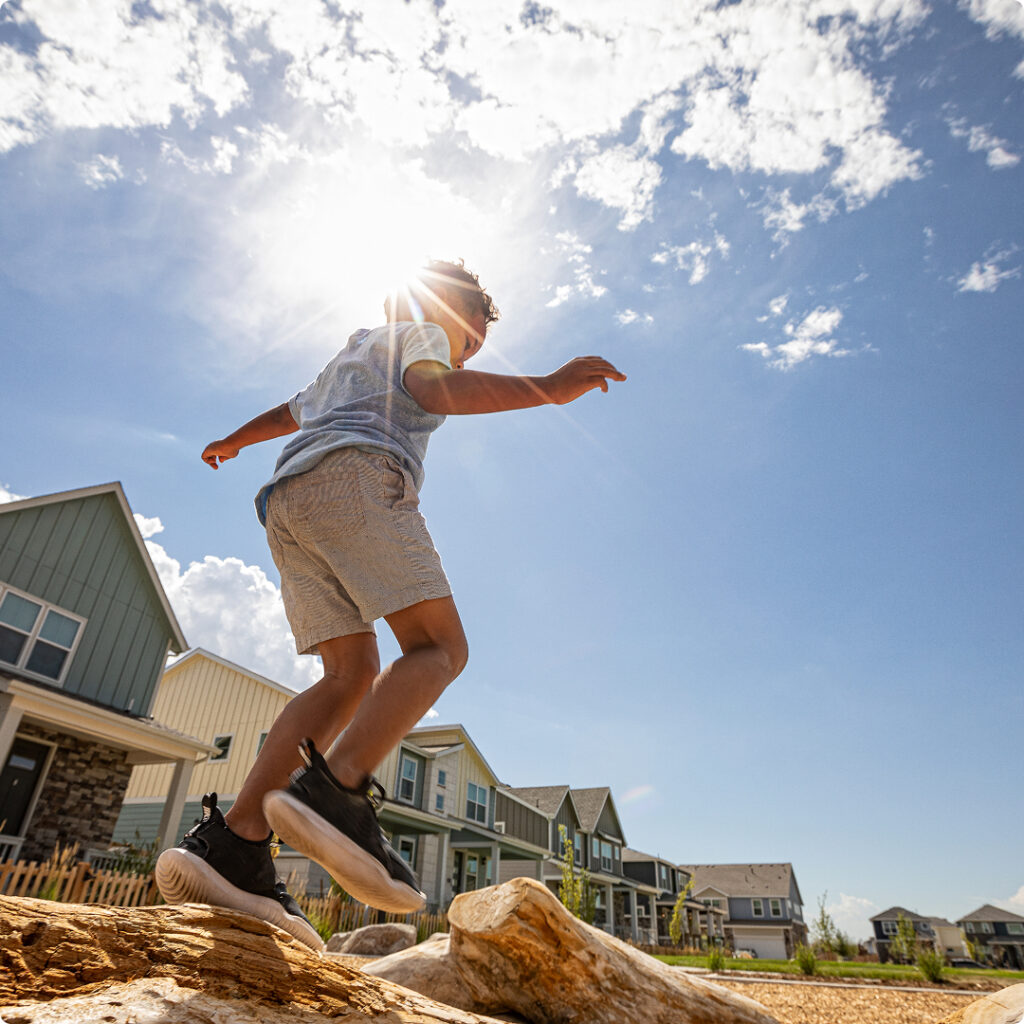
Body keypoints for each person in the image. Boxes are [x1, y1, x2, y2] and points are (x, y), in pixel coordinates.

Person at [154, 260, 625, 949]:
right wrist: (548, 388)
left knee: (349, 675)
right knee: (439, 649)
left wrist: (234, 441)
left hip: (287, 502)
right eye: (472, 345)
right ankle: (334, 792)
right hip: (357, 478)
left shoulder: (352, 350)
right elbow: (432, 389)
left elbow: (290, 412)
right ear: (453, 317)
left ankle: (235, 843)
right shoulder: (424, 330)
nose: (465, 354)